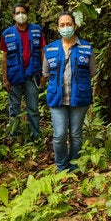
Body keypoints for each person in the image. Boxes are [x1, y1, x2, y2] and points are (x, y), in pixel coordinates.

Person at [42, 11, 95, 171]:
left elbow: (92, 72)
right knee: (59, 135)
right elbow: (45, 72)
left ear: (75, 26)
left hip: (79, 97)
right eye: (62, 25)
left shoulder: (87, 48)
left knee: (76, 134)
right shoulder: (50, 49)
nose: (66, 28)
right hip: (57, 99)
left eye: (69, 24)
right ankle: (61, 167)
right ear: (58, 28)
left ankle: (74, 166)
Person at [0, 3, 46, 139]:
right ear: (13, 16)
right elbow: (4, 57)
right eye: (18, 13)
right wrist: (5, 79)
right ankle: (13, 135)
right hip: (14, 76)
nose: (21, 15)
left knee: (33, 108)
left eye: (23, 12)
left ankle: (35, 136)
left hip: (33, 75)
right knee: (14, 108)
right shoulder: (7, 34)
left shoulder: (37, 30)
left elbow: (43, 52)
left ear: (27, 14)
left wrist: (44, 73)